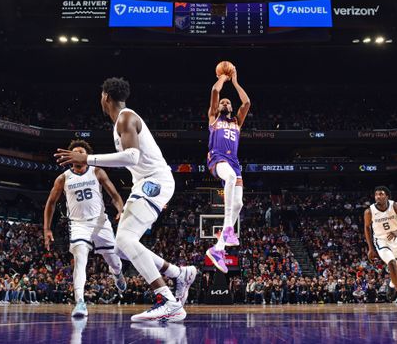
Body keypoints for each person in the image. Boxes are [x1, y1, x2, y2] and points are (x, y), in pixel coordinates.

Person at [55, 78, 197, 322]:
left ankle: (166, 299)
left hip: (155, 181)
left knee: (124, 238)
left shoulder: (125, 117)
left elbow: (131, 157)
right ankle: (179, 273)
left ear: (106, 97)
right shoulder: (120, 122)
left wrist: (88, 159)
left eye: (101, 95)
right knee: (121, 247)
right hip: (146, 183)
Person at [44, 139, 128, 318]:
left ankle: (117, 273)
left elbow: (114, 195)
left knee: (113, 260)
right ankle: (80, 302)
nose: (77, 155)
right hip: (78, 224)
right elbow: (50, 203)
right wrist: (47, 229)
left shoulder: (97, 171)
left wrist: (121, 210)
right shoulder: (63, 178)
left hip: (100, 222)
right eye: (74, 152)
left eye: (81, 152)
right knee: (80, 259)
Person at [205, 65, 251, 272]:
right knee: (230, 178)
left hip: (234, 162)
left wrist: (235, 82)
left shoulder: (237, 121)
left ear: (231, 108)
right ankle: (229, 228)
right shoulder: (214, 118)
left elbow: (247, 102)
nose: (224, 102)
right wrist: (222, 78)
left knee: (239, 203)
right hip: (217, 159)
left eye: (228, 102)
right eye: (223, 102)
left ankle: (219, 247)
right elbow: (215, 91)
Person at [364, 186, 397, 311]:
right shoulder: (369, 211)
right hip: (381, 240)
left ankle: (392, 285)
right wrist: (370, 248)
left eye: (381, 194)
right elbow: (367, 228)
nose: (378, 196)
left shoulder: (395, 206)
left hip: (395, 239)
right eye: (376, 194)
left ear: (387, 196)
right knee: (391, 263)